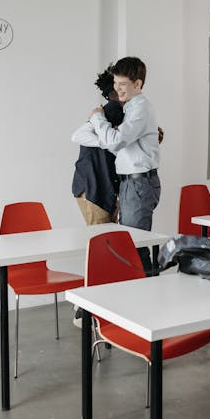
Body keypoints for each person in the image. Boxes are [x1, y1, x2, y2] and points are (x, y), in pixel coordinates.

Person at [71, 56, 160, 270]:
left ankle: (146, 296)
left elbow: (116, 142)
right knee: (131, 247)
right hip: (131, 184)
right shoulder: (130, 109)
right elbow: (114, 143)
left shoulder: (135, 109)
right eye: (115, 84)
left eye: (122, 84)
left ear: (137, 84)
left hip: (137, 184)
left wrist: (97, 118)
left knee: (133, 248)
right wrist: (107, 139)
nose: (118, 89)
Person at [71, 67, 123, 225]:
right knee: (101, 242)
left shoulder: (111, 111)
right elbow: (77, 136)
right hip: (94, 187)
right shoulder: (112, 109)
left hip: (99, 186)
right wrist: (108, 142)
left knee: (107, 241)